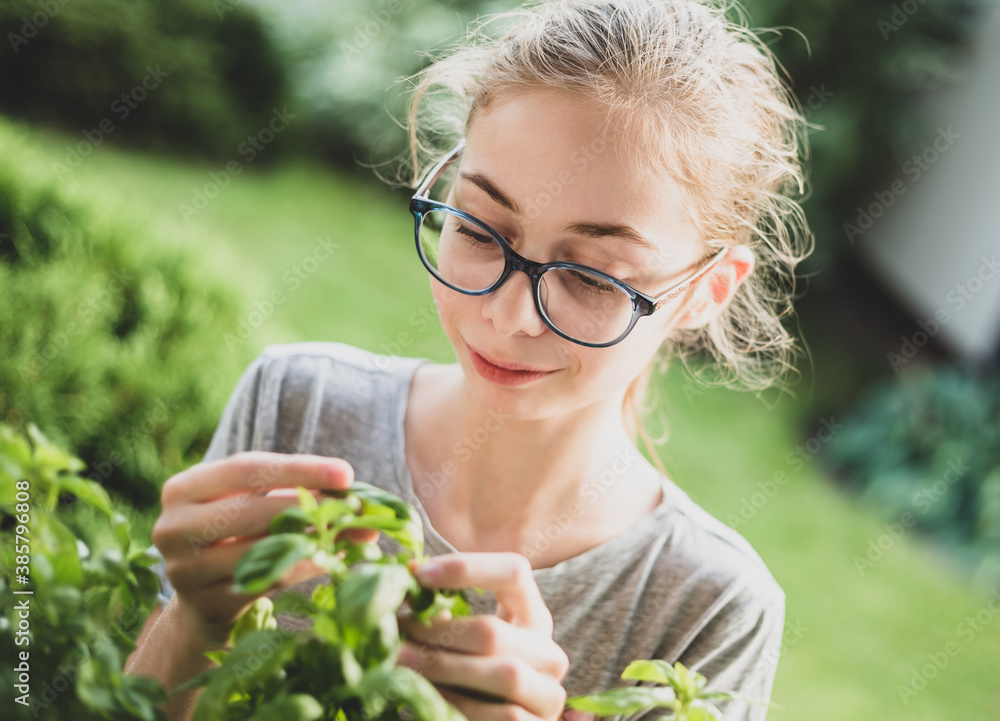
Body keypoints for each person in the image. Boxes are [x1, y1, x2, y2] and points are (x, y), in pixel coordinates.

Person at [125, 0, 812, 719]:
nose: (507, 315)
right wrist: (189, 625)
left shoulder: (706, 608)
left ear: (705, 291)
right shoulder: (296, 403)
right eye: (482, 228)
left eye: (590, 277)